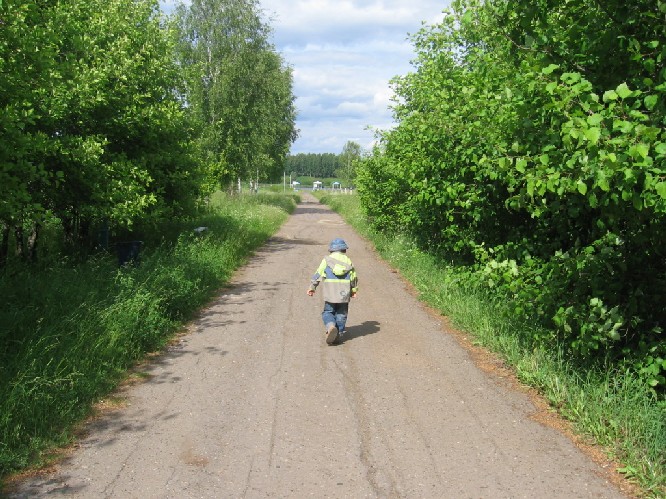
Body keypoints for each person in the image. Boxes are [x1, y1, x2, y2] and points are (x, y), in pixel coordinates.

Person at [307, 238, 358, 345]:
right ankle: (338, 334)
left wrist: (312, 287)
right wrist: (353, 290)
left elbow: (318, 274)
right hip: (343, 293)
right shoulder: (348, 261)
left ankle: (330, 326)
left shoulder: (326, 260)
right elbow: (353, 278)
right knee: (341, 313)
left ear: (331, 250)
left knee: (328, 312)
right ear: (344, 250)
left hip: (330, 292)